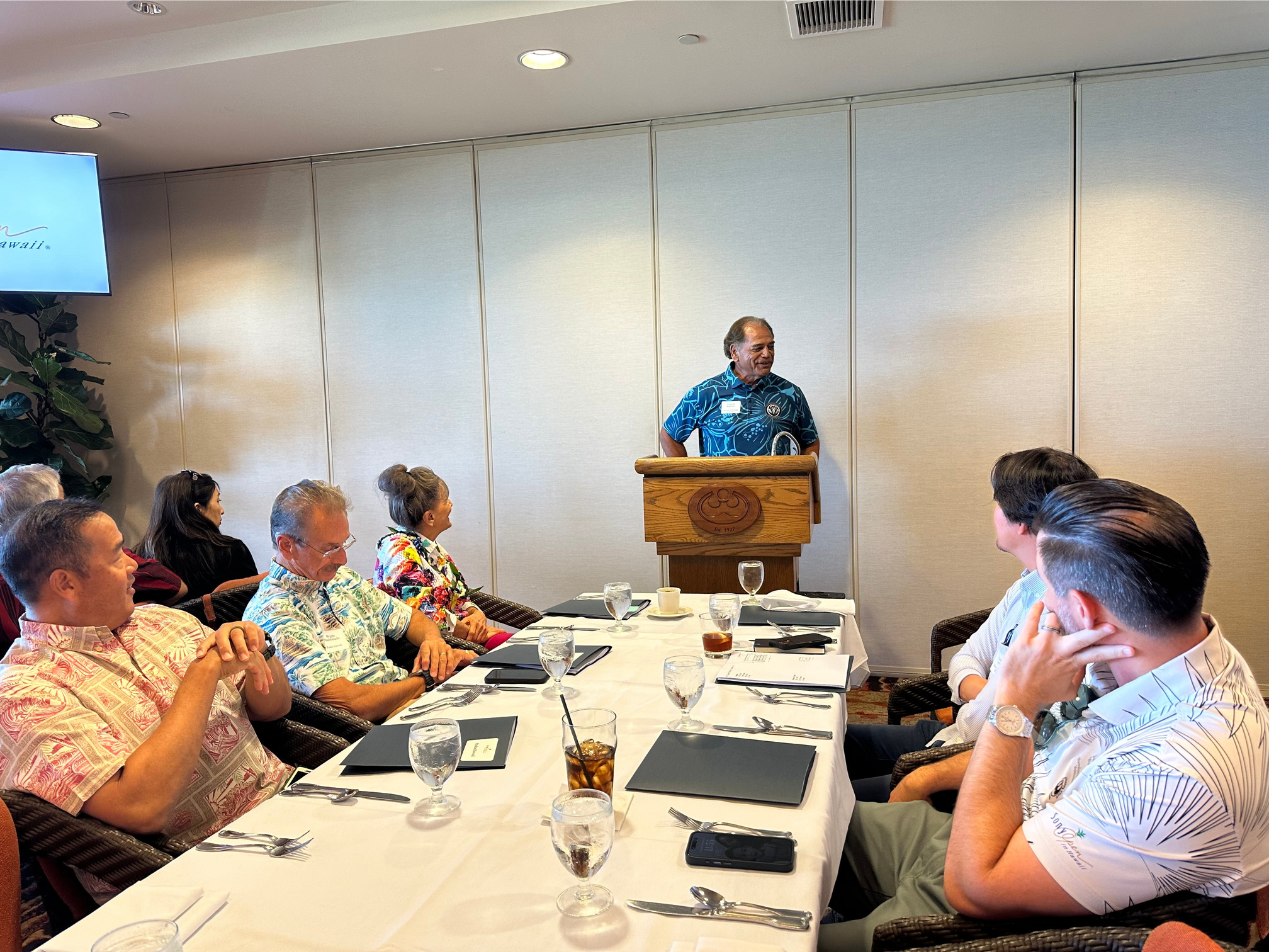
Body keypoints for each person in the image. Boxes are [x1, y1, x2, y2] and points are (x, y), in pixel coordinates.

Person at [819, 479, 1269, 951]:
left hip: (999, 883)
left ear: (1083, 610)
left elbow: (974, 886)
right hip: (989, 828)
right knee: (791, 830)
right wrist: (934, 773)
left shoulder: (1173, 774)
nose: (1041, 605)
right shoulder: (1172, 649)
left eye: (1047, 590)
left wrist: (1014, 703)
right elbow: (1049, 753)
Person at [0, 500, 292, 867]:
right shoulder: (25, 691)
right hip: (206, 864)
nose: (133, 563)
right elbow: (141, 809)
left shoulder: (162, 620)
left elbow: (276, 709)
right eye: (116, 555)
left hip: (288, 804)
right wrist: (200, 676)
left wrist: (257, 652)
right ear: (66, 583)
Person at [845, 448, 1098, 802]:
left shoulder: (1063, 614)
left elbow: (1015, 733)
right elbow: (965, 660)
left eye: (997, 503)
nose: (993, 512)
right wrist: (994, 694)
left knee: (832, 803)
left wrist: (993, 698)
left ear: (1021, 523)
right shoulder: (1028, 584)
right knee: (828, 742)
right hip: (954, 735)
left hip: (974, 765)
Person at [244, 480, 474, 723]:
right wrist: (427, 678)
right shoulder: (275, 614)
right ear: (286, 545)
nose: (343, 558)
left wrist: (434, 644)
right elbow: (353, 705)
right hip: (374, 728)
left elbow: (410, 618)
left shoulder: (343, 580)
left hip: (415, 701)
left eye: (343, 543)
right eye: (330, 548)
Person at [0, 464, 186, 653]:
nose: (132, 565)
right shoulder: (30, 677)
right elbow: (175, 586)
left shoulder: (154, 618)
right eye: (64, 504)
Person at [373, 464, 512, 653]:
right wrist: (477, 633)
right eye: (445, 500)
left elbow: (461, 596)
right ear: (430, 517)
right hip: (440, 649)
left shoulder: (431, 548)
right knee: (529, 649)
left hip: (466, 639)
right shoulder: (398, 549)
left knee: (531, 645)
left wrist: (476, 614)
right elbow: (422, 614)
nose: (451, 504)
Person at [660, 317, 821, 458]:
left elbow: (810, 442)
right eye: (758, 348)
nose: (767, 354)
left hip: (776, 492)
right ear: (734, 352)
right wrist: (689, 481)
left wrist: (803, 480)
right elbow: (669, 435)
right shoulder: (705, 393)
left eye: (770, 346)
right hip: (721, 492)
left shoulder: (790, 393)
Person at [137, 470, 262, 600]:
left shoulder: (143, 555)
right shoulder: (232, 551)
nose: (222, 510)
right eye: (217, 501)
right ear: (198, 509)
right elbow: (255, 603)